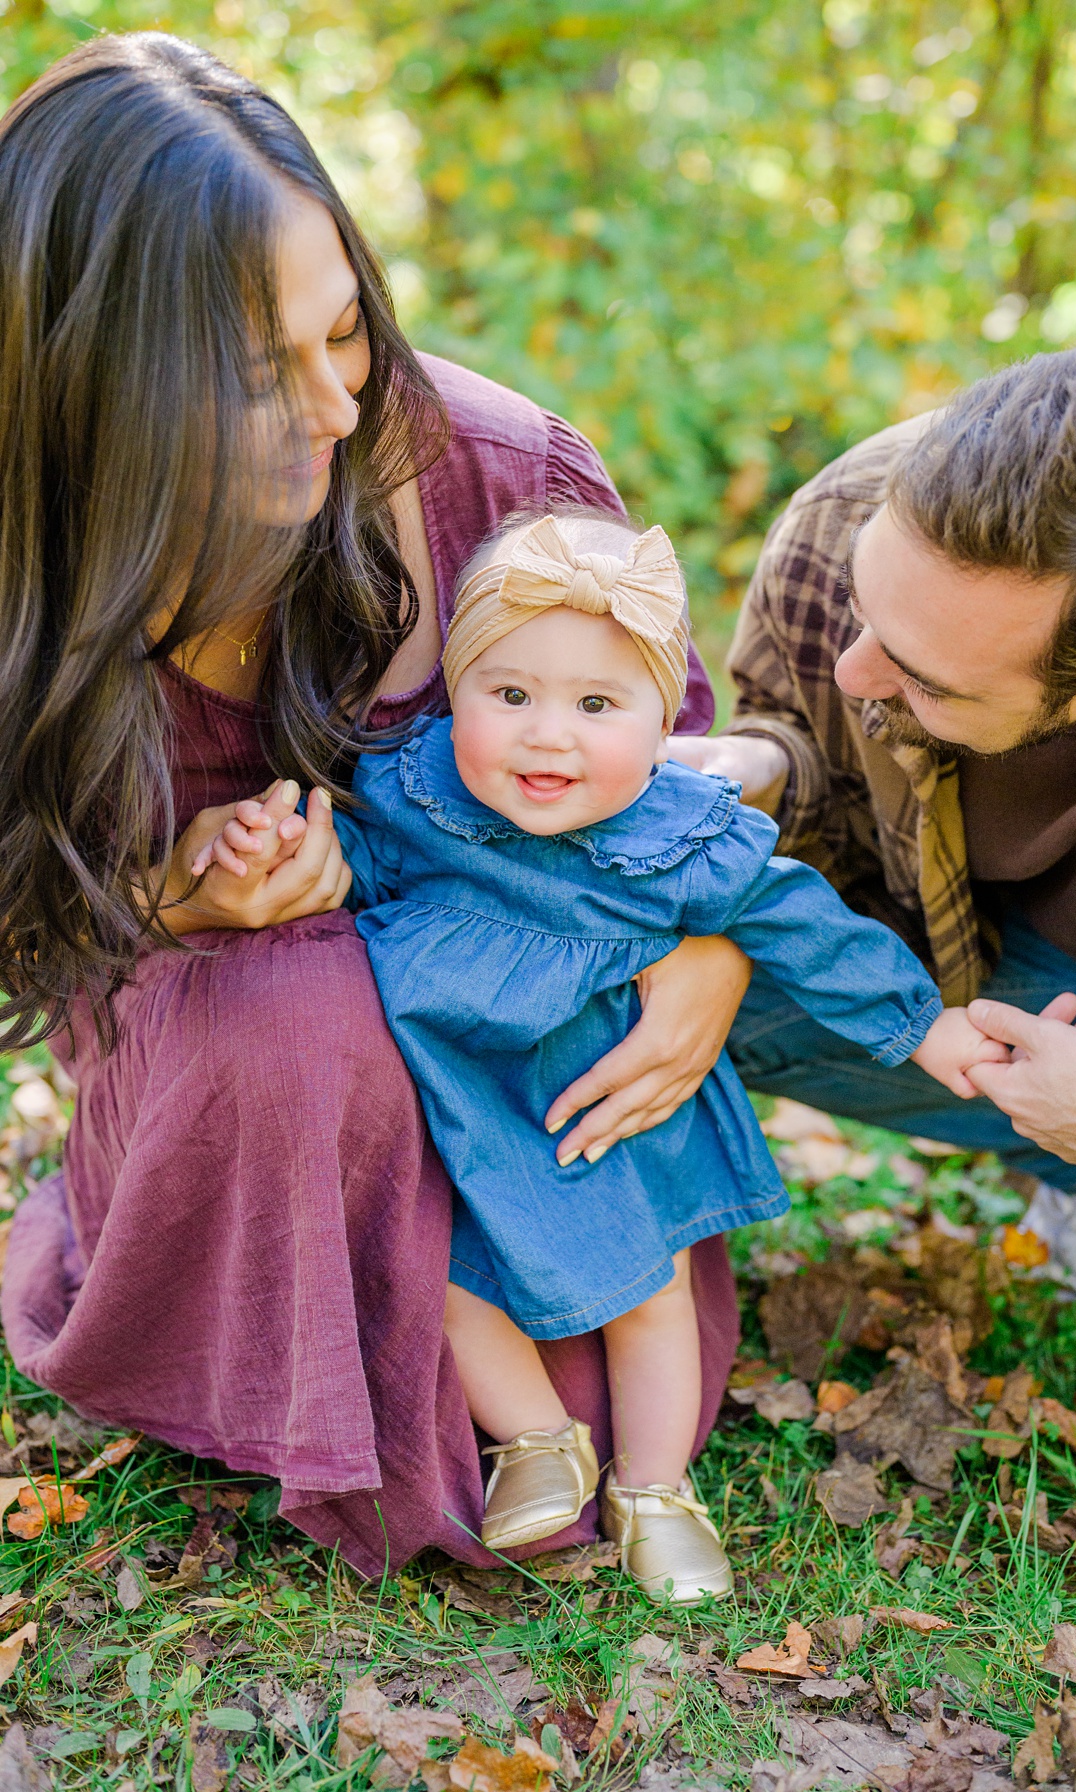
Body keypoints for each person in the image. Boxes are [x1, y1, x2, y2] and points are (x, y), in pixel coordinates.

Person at [0, 35, 753, 1576]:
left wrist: (711, 956)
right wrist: (174, 899)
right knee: (304, 1010)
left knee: (598, 1386)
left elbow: (672, 781)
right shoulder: (33, 565)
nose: (339, 405)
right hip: (260, 1071)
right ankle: (267, 1334)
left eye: (349, 332)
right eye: (260, 372)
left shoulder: (496, 476)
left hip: (534, 1044)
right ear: (95, 389)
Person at [192, 511, 1003, 1598]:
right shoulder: (415, 792)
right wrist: (275, 844)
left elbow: (808, 931)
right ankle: (538, 1438)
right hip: (466, 1112)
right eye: (510, 694)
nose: (546, 737)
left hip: (610, 1102)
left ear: (664, 717)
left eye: (597, 705)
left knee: (647, 1292)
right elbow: (342, 866)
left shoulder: (676, 832)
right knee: (441, 1274)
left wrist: (931, 1026)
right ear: (455, 688)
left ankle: (655, 1489)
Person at [664, 345, 1076, 1541]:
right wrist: (761, 767)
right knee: (637, 942)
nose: (860, 673)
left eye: (927, 679)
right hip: (938, 969)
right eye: (867, 614)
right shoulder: (850, 517)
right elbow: (804, 735)